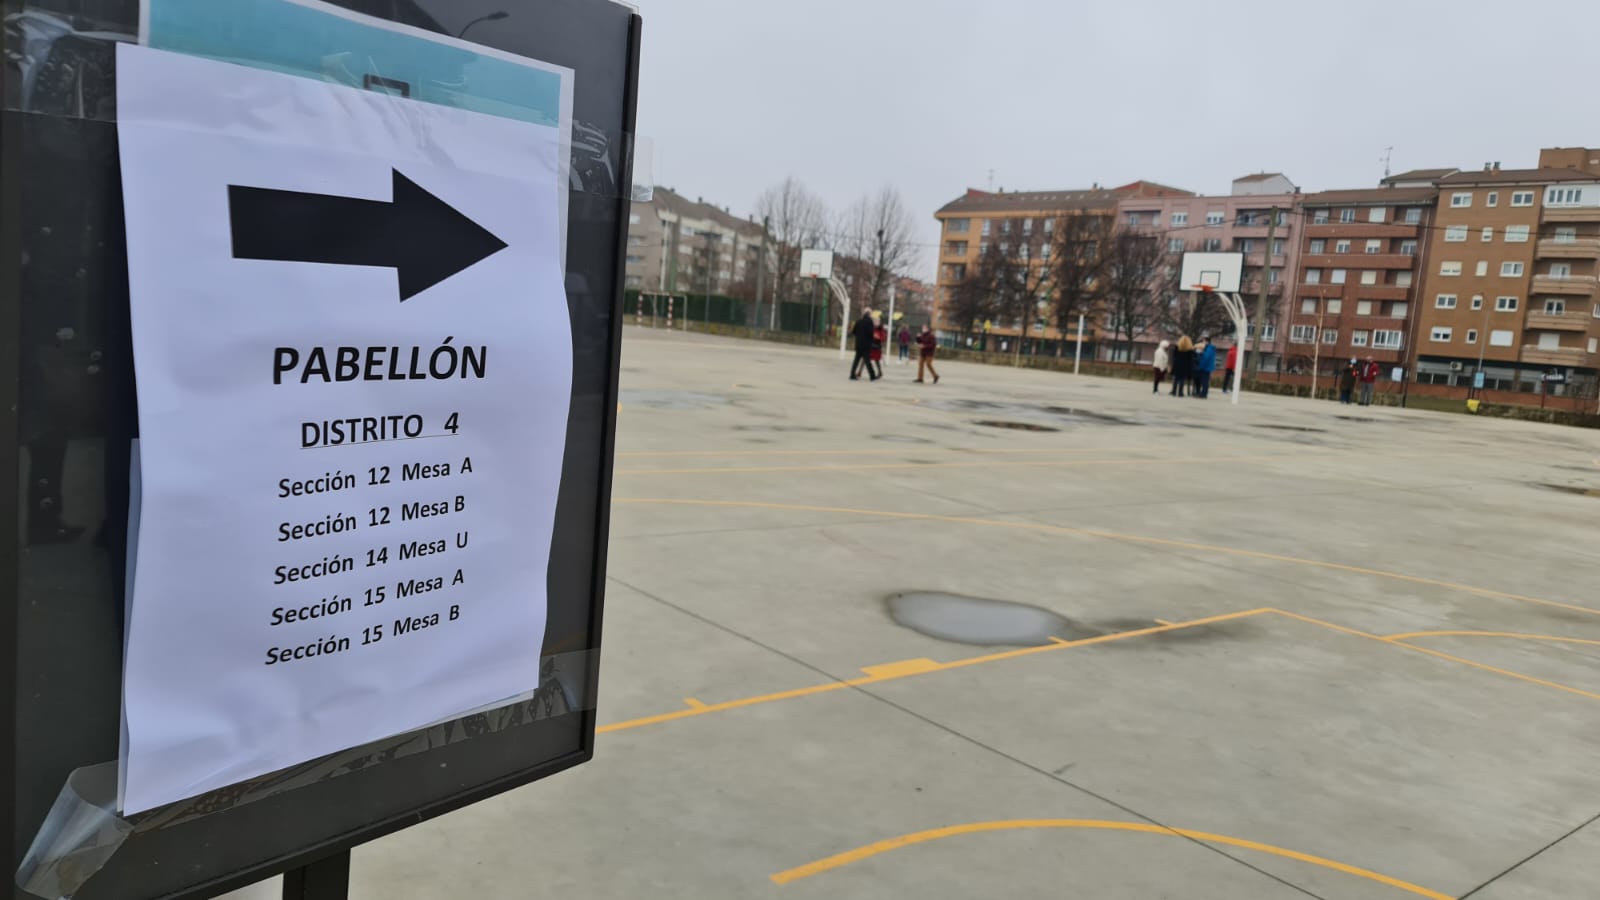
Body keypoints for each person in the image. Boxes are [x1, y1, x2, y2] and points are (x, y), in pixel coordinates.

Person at [849, 311, 877, 381]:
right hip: (866, 345)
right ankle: (872, 375)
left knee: (856, 360)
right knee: (867, 361)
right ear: (869, 315)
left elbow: (853, 331)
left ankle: (852, 374)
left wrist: (859, 336)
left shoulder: (858, 321)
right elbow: (871, 333)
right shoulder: (869, 322)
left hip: (858, 344)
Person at [869, 314, 887, 380]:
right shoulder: (872, 328)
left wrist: (878, 337)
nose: (875, 322)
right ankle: (859, 372)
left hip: (877, 346)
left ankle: (880, 372)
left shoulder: (881, 329)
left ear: (879, 322)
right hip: (871, 345)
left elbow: (883, 338)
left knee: (877, 361)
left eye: (876, 321)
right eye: (874, 321)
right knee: (866, 359)